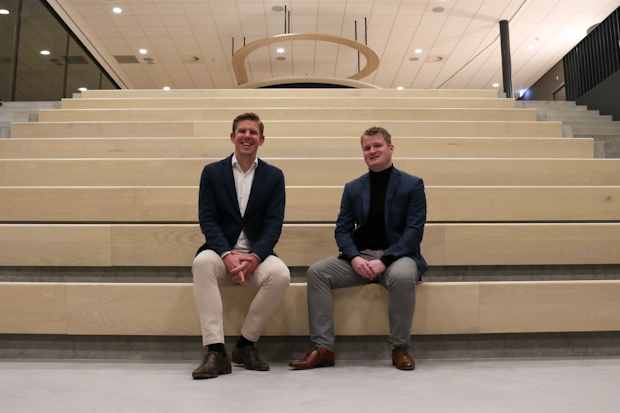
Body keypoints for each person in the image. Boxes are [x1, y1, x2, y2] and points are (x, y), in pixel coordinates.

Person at [289, 126, 427, 371]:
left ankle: (400, 348)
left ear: (390, 148)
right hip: (360, 257)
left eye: (377, 146)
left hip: (397, 256)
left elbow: (414, 231)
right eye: (367, 147)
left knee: (403, 276)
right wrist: (353, 258)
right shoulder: (353, 188)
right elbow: (342, 230)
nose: (372, 151)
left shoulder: (412, 184)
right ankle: (323, 349)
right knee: (317, 272)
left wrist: (384, 260)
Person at [192, 112, 290, 380]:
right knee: (201, 264)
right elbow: (208, 219)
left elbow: (274, 224)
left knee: (281, 274)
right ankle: (215, 350)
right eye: (242, 131)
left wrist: (256, 257)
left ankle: (246, 344)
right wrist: (226, 254)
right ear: (232, 137)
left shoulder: (274, 176)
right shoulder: (212, 173)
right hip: (221, 251)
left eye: (253, 132)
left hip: (255, 254)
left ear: (262, 139)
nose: (247, 136)